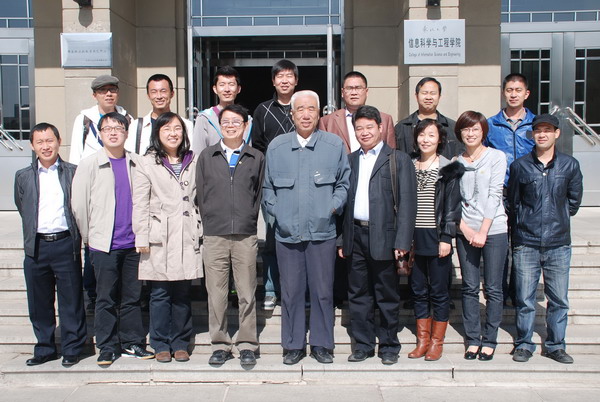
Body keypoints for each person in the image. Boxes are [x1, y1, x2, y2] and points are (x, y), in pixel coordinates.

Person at [263, 90, 350, 365]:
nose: (305, 114)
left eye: (311, 109)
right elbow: (268, 189)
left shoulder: (334, 145)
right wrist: (278, 214)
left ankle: (322, 344)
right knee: (291, 292)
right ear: (292, 114)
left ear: (319, 112)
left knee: (323, 292)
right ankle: (293, 345)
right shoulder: (277, 147)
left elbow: (343, 184)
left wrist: (331, 209)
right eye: (300, 109)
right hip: (287, 234)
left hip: (322, 233)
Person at [72, 112, 154, 367]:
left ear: (127, 133)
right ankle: (107, 346)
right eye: (107, 129)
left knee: (131, 297)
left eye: (118, 128)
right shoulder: (89, 164)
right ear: (100, 134)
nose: (113, 132)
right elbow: (79, 206)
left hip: (133, 244)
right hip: (103, 244)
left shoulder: (137, 162)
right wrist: (90, 237)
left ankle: (132, 342)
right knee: (105, 297)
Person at [338, 105, 416, 365]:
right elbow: (344, 202)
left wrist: (402, 241)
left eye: (369, 127)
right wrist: (342, 239)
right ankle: (363, 344)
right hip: (355, 235)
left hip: (385, 237)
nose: (364, 132)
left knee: (387, 295)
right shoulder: (350, 160)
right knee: (358, 294)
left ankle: (389, 345)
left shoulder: (398, 159)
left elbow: (407, 203)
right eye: (359, 128)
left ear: (380, 128)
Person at [509, 114, 583, 364]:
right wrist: (524, 224)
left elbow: (573, 202)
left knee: (559, 299)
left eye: (547, 130)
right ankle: (523, 343)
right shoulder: (520, 166)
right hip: (526, 242)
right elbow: (513, 202)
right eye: (538, 130)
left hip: (558, 243)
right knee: (525, 299)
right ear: (532, 134)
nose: (542, 134)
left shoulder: (569, 165)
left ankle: (556, 345)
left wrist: (557, 219)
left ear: (557, 133)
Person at [14, 123, 87, 368]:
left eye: (49, 141)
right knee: (39, 302)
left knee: (71, 299)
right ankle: (45, 348)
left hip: (65, 242)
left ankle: (72, 348)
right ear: (32, 146)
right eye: (40, 142)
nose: (45, 146)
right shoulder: (23, 176)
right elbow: (22, 206)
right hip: (36, 245)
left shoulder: (73, 172)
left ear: (58, 141)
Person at [132, 112, 202, 364]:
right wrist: (141, 236)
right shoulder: (146, 163)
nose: (173, 134)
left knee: (182, 292)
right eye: (167, 129)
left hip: (185, 232)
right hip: (159, 234)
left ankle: (181, 343)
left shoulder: (193, 160)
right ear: (157, 134)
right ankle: (160, 343)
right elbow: (140, 202)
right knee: (159, 293)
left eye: (177, 129)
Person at [197, 104, 265, 367]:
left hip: (245, 235)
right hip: (215, 234)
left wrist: (249, 219)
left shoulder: (256, 157)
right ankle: (220, 344)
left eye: (237, 122)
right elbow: (200, 193)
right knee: (216, 293)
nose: (231, 126)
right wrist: (210, 221)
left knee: (247, 291)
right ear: (219, 126)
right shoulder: (207, 156)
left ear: (245, 126)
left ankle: (247, 343)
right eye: (226, 122)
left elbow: (258, 193)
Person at [69, 74, 133, 314]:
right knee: (94, 248)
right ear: (94, 95)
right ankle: (93, 295)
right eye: (103, 90)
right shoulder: (84, 119)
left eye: (112, 90)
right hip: (93, 185)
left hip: (121, 183)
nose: (109, 94)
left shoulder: (127, 117)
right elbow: (75, 156)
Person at [407, 119, 463, 361]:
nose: (425, 139)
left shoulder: (449, 168)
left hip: (436, 235)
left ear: (440, 139)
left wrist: (446, 237)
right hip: (413, 237)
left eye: (431, 135)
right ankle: (422, 341)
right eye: (422, 134)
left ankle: (436, 342)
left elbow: (452, 207)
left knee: (439, 292)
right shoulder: (409, 165)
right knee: (418, 290)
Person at [455, 110, 508, 362]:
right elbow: (452, 202)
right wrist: (466, 230)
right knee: (469, 287)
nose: (471, 133)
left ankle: (490, 339)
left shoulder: (496, 157)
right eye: (466, 129)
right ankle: (473, 339)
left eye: (475, 128)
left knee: (494, 288)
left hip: (494, 230)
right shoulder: (455, 162)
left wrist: (483, 231)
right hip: (465, 231)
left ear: (483, 131)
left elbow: (495, 194)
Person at [252, 59, 299, 310]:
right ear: (273, 81)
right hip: (272, 184)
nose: (285, 80)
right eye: (280, 76)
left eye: (289, 76)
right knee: (272, 238)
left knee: (298, 238)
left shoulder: (303, 106)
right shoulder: (262, 110)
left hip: (302, 185)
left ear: (296, 80)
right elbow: (258, 146)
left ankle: (297, 289)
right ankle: (270, 288)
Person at [486, 73, 536, 306]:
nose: (513, 94)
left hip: (528, 195)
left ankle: (518, 292)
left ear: (526, 94)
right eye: (509, 90)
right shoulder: (491, 125)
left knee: (522, 245)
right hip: (502, 193)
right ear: (503, 92)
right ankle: (499, 292)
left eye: (518, 90)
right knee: (500, 245)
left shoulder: (536, 124)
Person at [319, 71, 396, 153]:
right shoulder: (327, 121)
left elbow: (391, 153)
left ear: (366, 92)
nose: (354, 93)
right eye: (349, 88)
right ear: (342, 93)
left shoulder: (385, 119)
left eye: (358, 88)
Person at [395, 77, 462, 159]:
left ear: (439, 96)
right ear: (416, 96)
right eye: (424, 93)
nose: (428, 97)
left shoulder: (453, 127)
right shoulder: (402, 127)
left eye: (433, 93)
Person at [126, 74, 193, 155]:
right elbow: (130, 156)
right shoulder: (136, 126)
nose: (159, 96)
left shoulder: (186, 125)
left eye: (163, 91)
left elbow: (189, 155)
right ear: (148, 95)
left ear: (172, 94)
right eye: (154, 92)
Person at [192, 66, 251, 156]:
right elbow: (198, 153)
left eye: (231, 84)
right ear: (215, 89)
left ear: (238, 89)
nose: (227, 89)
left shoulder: (247, 120)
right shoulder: (205, 118)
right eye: (222, 85)